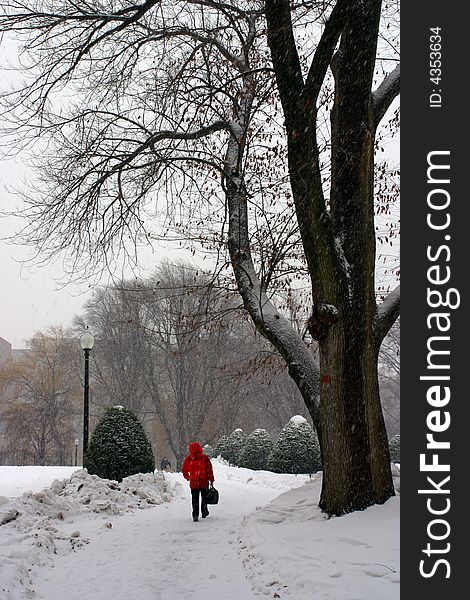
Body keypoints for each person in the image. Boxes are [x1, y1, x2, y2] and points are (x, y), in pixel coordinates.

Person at [182, 442, 214, 522]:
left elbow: (184, 470)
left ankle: (195, 514)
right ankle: (204, 511)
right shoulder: (204, 458)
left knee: (195, 499)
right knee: (204, 497)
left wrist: (188, 477)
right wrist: (211, 479)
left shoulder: (189, 459)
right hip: (203, 481)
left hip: (194, 482)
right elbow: (209, 469)